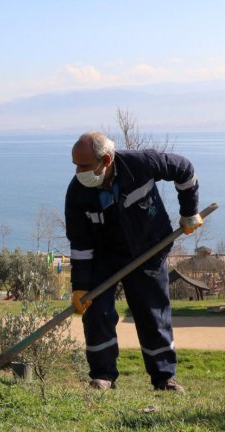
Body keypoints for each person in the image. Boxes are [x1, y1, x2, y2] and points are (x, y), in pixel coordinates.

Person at [65, 131, 202, 393]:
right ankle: (103, 377)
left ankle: (164, 378)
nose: (78, 171)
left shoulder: (141, 164)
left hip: (150, 250)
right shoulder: (77, 193)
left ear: (105, 160)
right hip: (105, 257)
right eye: (75, 165)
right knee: (97, 314)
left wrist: (189, 212)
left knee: (152, 313)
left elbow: (184, 169)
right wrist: (80, 286)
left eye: (83, 165)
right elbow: (80, 245)